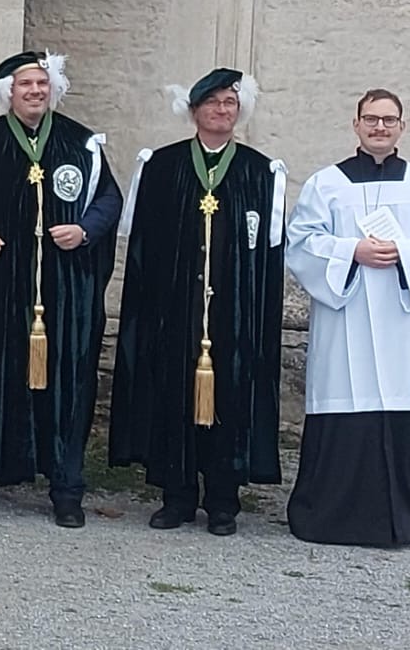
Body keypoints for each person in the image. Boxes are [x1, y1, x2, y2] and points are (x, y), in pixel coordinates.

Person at [0, 51, 120, 528]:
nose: (35, 91)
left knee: (65, 385)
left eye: (41, 83)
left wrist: (85, 231)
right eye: (25, 85)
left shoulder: (81, 143)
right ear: (8, 93)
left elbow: (108, 199)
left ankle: (66, 486)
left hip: (63, 291)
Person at [109, 68, 286, 536]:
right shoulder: (161, 167)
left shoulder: (260, 172)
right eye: (212, 102)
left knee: (229, 395)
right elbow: (142, 247)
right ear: (194, 111)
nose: (221, 110)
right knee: (173, 394)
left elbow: (269, 256)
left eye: (229, 102)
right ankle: (177, 495)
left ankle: (223, 499)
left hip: (233, 311)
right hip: (175, 309)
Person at [284, 88, 410, 547]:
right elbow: (301, 242)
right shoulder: (327, 184)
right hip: (345, 320)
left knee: (397, 419)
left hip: (404, 322)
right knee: (345, 418)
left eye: (388, 120)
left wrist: (404, 252)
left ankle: (396, 521)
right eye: (371, 119)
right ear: (356, 124)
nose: (379, 127)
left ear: (402, 127)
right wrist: (352, 250)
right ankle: (327, 520)